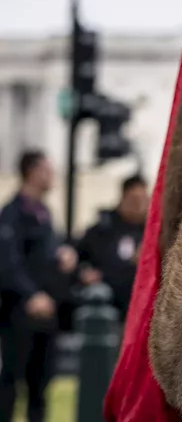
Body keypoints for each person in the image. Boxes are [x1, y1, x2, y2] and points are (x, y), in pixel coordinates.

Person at [0, 151, 78, 422]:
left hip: (47, 314)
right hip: (20, 313)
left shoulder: (44, 213)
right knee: (10, 383)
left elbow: (45, 254)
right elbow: (8, 263)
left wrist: (63, 257)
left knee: (40, 386)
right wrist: (31, 295)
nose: (52, 174)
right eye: (47, 169)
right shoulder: (12, 213)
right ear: (32, 172)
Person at [77, 176, 148, 319]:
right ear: (123, 198)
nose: (139, 206)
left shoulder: (149, 233)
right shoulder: (102, 230)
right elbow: (80, 259)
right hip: (105, 302)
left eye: (143, 200)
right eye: (134, 200)